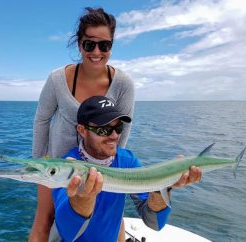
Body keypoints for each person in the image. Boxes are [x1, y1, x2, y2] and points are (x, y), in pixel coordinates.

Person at [29, 7, 135, 241]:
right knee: (44, 220)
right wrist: (39, 163)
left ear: (111, 46)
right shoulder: (57, 79)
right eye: (89, 44)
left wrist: (112, 163)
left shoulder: (124, 83)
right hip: (59, 166)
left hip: (101, 166)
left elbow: (123, 128)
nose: (96, 52)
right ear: (79, 44)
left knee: (113, 216)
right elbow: (41, 120)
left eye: (104, 45)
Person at [49, 96, 202, 242]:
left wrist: (162, 185)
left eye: (118, 127)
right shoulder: (65, 168)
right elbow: (68, 233)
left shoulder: (127, 161)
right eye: (104, 130)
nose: (114, 136)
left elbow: (154, 223)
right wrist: (83, 198)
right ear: (82, 130)